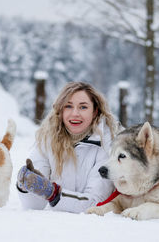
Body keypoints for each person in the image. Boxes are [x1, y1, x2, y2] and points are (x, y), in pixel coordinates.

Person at [16, 81, 120, 213]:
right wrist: (25, 186)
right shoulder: (48, 138)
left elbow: (96, 202)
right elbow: (35, 206)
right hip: (56, 228)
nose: (75, 113)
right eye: (68, 106)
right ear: (60, 110)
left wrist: (53, 194)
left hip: (93, 228)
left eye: (83, 107)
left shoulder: (109, 144)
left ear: (95, 112)